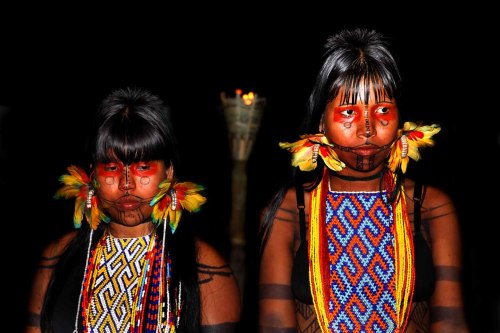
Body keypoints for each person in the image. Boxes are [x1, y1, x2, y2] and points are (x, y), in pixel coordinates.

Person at [258, 28, 469, 333]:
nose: (367, 128)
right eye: (348, 112)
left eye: (383, 110)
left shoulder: (431, 206)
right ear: (322, 122)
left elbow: (450, 321)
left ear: (401, 120)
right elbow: (274, 324)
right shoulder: (290, 211)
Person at [25, 87, 240, 333]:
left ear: (168, 172)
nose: (127, 184)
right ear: (93, 174)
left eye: (143, 167)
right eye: (112, 168)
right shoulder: (57, 258)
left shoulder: (205, 268)